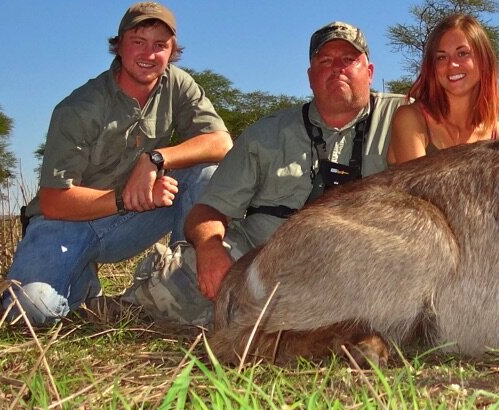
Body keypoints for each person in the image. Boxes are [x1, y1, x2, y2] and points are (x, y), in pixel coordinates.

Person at [127, 21, 402, 328]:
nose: (336, 68)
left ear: (370, 71)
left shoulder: (407, 117)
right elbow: (207, 210)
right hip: (267, 261)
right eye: (325, 61)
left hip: (367, 265)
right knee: (175, 286)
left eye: (348, 60)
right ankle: (128, 306)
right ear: (310, 76)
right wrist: (210, 249)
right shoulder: (266, 134)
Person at [3, 2, 231, 326]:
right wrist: (127, 197)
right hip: (68, 220)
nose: (149, 54)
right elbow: (54, 201)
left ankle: (183, 288)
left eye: (160, 45)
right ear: (119, 45)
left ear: (172, 51)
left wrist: (155, 158)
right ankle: (84, 291)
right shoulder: (80, 107)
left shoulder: (177, 83)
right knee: (26, 314)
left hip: (131, 220)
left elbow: (222, 143)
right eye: (138, 41)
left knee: (207, 172)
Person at [388, 13, 499, 165]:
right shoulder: (410, 119)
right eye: (441, 57)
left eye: (462, 53)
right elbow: (418, 188)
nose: (452, 64)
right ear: (432, 67)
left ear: (484, 61)